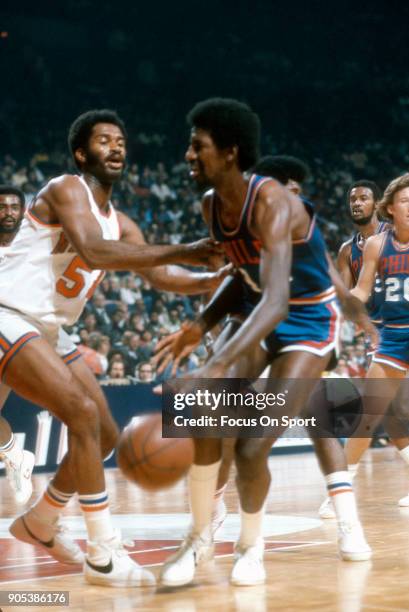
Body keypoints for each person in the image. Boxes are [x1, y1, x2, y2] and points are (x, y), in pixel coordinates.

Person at [0, 108, 226, 588]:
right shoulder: (65, 189)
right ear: (82, 153)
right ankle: (102, 554)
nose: (116, 147)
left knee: (102, 433)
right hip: (7, 312)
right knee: (81, 412)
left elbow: (160, 274)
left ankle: (40, 522)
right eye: (103, 141)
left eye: (120, 140)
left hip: (49, 328)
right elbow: (93, 252)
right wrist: (185, 247)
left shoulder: (121, 223)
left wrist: (217, 279)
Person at [158, 99, 374, 589]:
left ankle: (250, 546)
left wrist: (214, 359)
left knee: (255, 449)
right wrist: (200, 326)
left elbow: (277, 300)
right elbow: (242, 276)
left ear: (230, 152)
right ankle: (198, 536)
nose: (188, 155)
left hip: (308, 323)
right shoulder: (211, 204)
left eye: (199, 146)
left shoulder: (274, 201)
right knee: (203, 409)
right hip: (261, 313)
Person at [319, 180, 409, 519]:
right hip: (387, 333)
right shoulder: (365, 246)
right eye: (353, 198)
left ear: (378, 205)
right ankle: (341, 489)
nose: (358, 203)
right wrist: (335, 304)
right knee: (373, 413)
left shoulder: (392, 232)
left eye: (364, 197)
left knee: (397, 408)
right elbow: (354, 293)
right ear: (391, 206)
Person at [0, 185, 35, 505]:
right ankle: (14, 457)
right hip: (4, 336)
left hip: (34, 333)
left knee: (84, 410)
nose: (8, 212)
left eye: (14, 207)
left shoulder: (32, 248)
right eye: (3, 207)